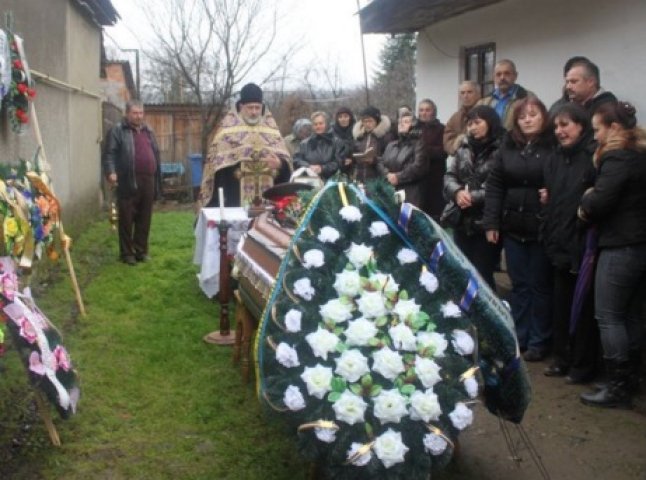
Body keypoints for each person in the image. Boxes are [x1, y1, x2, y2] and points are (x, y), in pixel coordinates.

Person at [578, 101, 646, 408]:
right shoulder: (640, 155)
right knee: (630, 315)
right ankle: (630, 379)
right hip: (639, 244)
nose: (596, 137)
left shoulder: (617, 158)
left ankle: (617, 386)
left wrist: (586, 199)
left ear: (614, 128)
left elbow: (598, 204)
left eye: (597, 130)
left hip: (620, 245)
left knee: (608, 316)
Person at [483, 96, 553, 361]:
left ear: (543, 117)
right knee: (519, 284)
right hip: (513, 226)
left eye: (533, 115)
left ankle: (540, 340)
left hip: (541, 227)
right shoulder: (508, 146)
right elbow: (495, 185)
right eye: (522, 116)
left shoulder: (552, 146)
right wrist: (491, 222)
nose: (527, 120)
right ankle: (519, 336)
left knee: (540, 286)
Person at [541, 103, 599, 383]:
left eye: (565, 125)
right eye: (556, 127)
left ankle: (582, 365)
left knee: (584, 310)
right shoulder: (555, 158)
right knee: (561, 305)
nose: (560, 131)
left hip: (582, 243)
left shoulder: (592, 157)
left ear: (581, 125)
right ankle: (561, 358)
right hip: (558, 241)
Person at [197, 83, 292, 209]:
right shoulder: (226, 131)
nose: (254, 112)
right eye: (250, 107)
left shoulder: (272, 131)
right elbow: (214, 168)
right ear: (241, 106)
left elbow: (287, 167)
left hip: (267, 202)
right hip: (233, 200)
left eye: (257, 108)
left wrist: (280, 164)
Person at [443, 105, 503, 289]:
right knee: (462, 272)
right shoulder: (464, 148)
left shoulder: (501, 149)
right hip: (462, 220)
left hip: (486, 221)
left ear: (490, 123)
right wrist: (457, 192)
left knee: (482, 275)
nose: (472, 127)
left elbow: (499, 184)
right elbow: (449, 175)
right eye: (469, 124)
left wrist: (472, 196)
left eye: (478, 122)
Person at [103, 100, 162, 266]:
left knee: (145, 217)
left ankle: (141, 251)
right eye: (135, 113)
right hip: (127, 179)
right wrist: (111, 172)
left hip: (148, 179)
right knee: (127, 217)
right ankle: (127, 254)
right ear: (127, 113)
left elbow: (155, 153)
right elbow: (109, 154)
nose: (139, 116)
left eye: (141, 113)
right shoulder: (118, 130)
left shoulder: (148, 130)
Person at [382, 111, 428, 208]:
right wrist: (387, 174)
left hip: (410, 193)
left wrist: (398, 177)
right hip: (391, 190)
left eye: (406, 122)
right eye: (400, 122)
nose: (401, 124)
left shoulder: (420, 144)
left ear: (414, 126)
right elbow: (382, 163)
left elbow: (419, 167)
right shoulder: (391, 145)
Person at [413, 98, 447, 220]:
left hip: (434, 177)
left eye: (427, 110)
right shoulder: (413, 129)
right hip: (416, 176)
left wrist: (422, 150)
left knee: (433, 214)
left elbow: (444, 151)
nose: (424, 113)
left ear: (434, 112)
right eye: (421, 110)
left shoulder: (442, 129)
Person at [477, 59, 531, 130]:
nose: (502, 78)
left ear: (515, 76)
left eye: (507, 73)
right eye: (498, 74)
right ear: (494, 78)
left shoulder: (527, 98)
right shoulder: (484, 102)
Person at [293, 111, 343, 180]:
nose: (318, 126)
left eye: (321, 123)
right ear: (312, 126)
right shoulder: (304, 144)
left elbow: (339, 162)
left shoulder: (336, 142)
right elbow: (297, 160)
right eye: (315, 124)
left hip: (332, 181)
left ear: (326, 124)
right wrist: (309, 167)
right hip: (310, 181)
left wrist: (322, 168)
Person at [348, 106, 390, 183]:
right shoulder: (359, 137)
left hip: (377, 180)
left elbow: (388, 159)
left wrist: (374, 160)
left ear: (376, 121)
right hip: (360, 178)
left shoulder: (384, 137)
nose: (367, 124)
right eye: (365, 121)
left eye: (370, 121)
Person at [443, 80, 482, 155]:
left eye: (469, 92)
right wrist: (456, 144)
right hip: (462, 161)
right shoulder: (455, 118)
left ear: (478, 94)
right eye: (462, 93)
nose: (466, 96)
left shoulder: (486, 113)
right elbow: (447, 140)